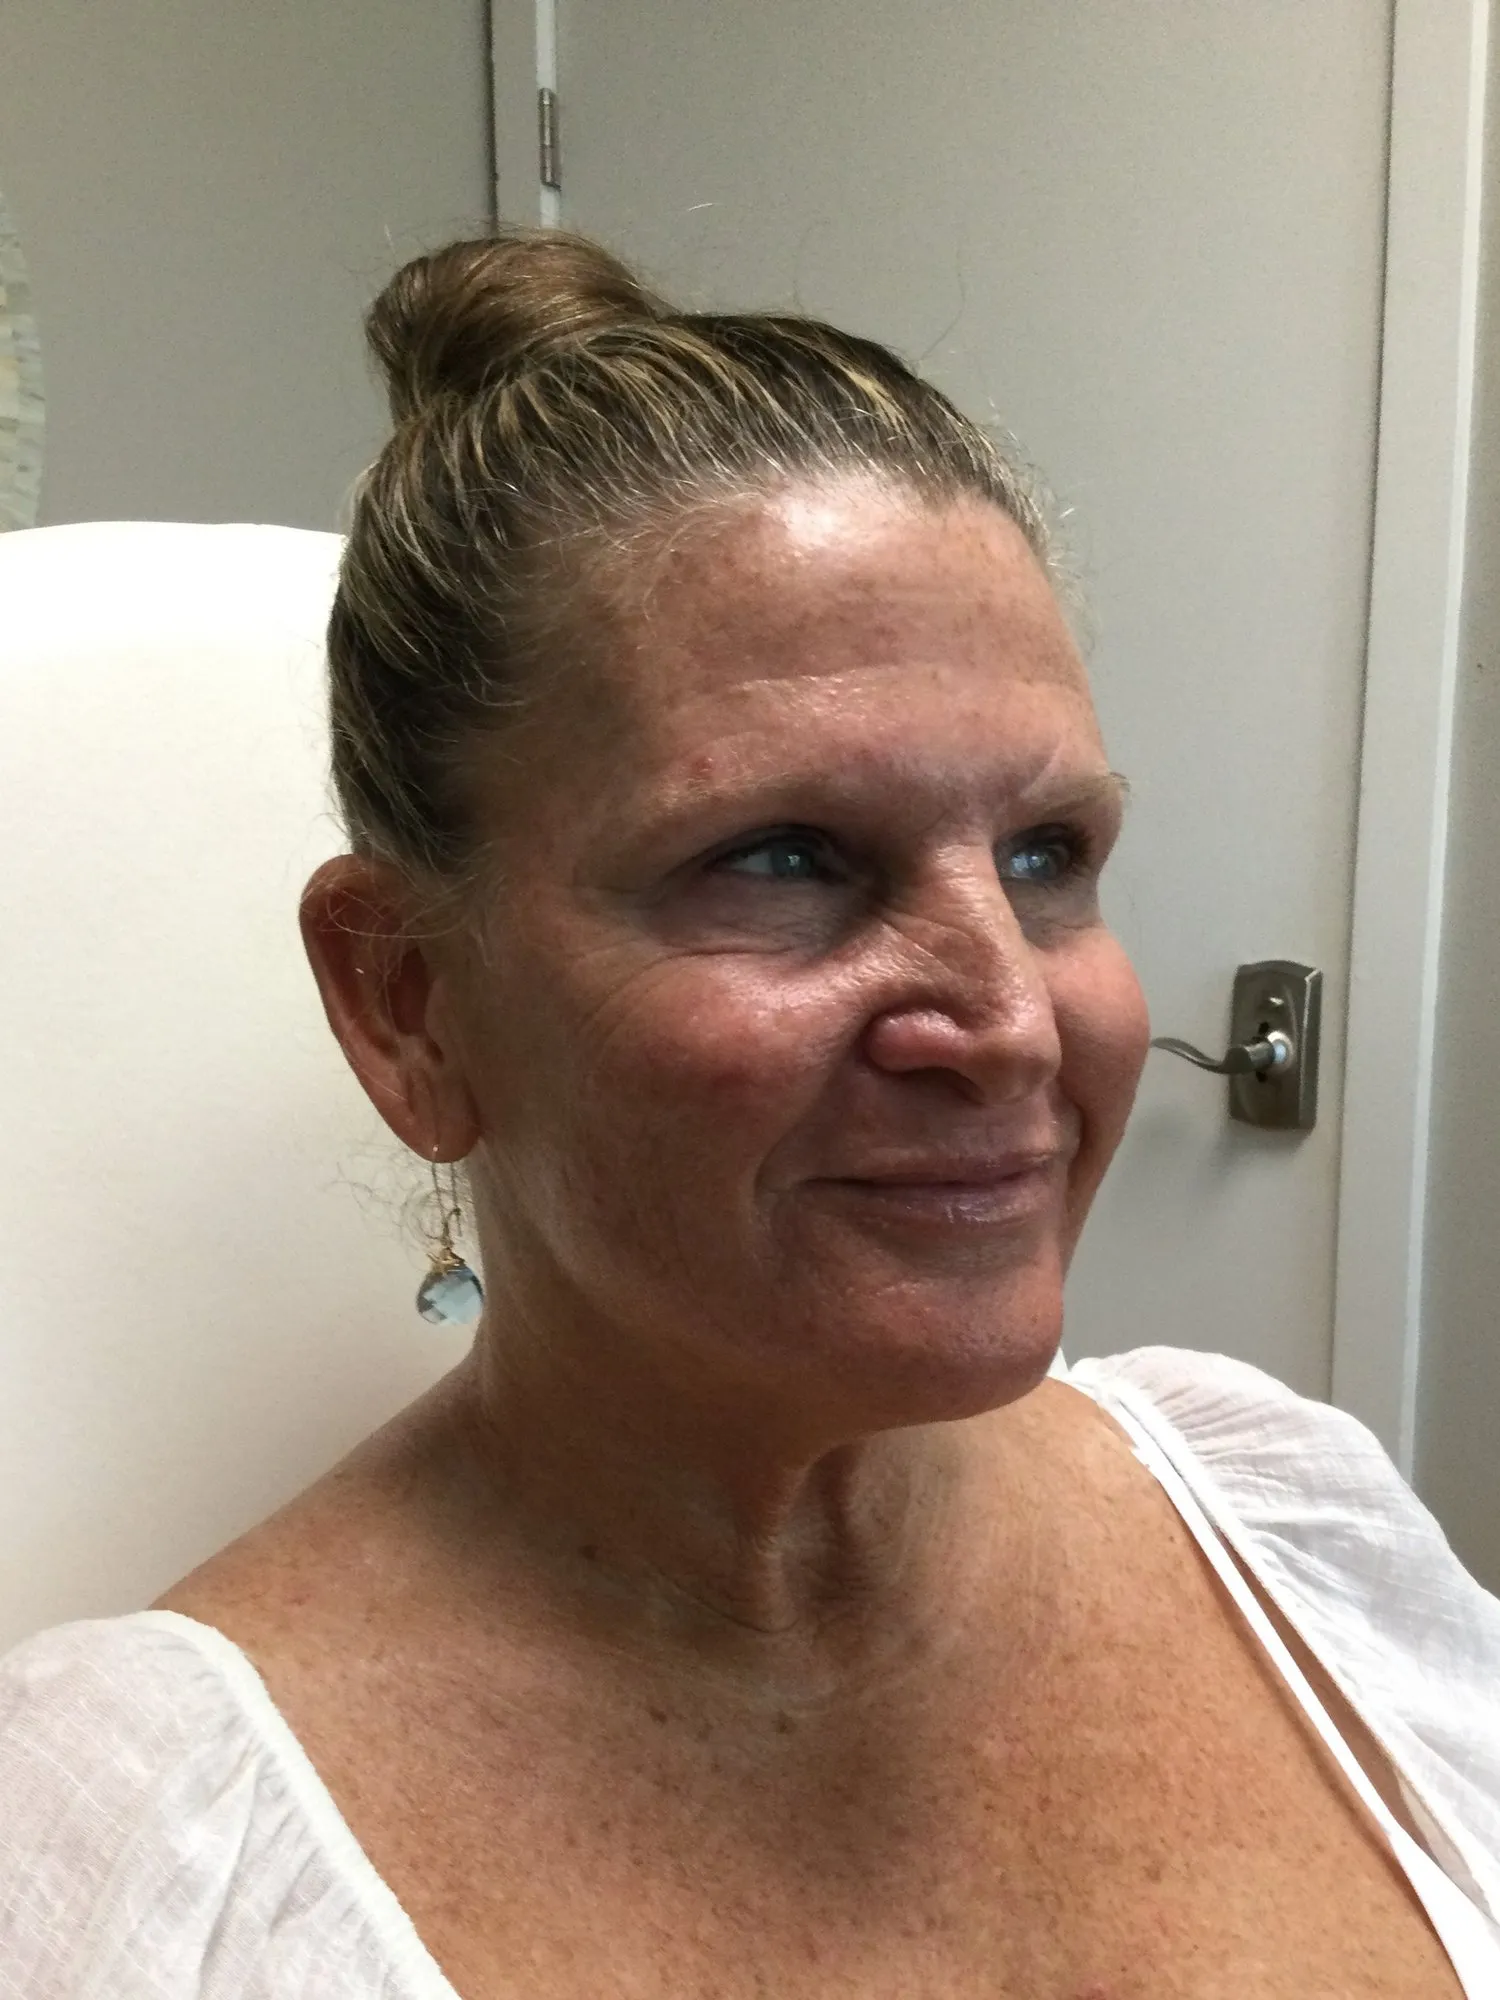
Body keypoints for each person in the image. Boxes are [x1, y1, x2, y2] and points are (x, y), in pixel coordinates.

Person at [1, 230, 1498, 2000]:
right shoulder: (138, 1868)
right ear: (405, 996)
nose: (1013, 1019)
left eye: (1048, 855)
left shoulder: (1284, 1535)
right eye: (783, 859)